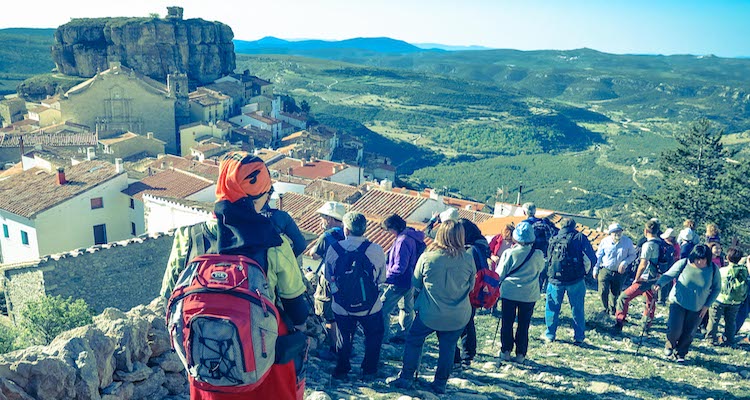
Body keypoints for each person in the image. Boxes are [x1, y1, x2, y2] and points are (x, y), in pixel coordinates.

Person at [161, 152, 309, 400]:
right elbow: (296, 307)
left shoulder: (188, 238)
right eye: (266, 193)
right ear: (254, 198)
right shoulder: (274, 242)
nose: (268, 198)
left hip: (209, 358)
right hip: (265, 357)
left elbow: (168, 295)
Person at [390, 220, 476, 394]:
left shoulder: (428, 257)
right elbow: (471, 285)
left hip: (430, 312)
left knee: (414, 341)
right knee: (448, 347)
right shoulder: (468, 259)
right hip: (458, 315)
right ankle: (440, 384)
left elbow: (416, 283)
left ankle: (406, 377)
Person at [324, 212, 386, 381]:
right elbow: (381, 278)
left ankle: (342, 369)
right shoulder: (376, 249)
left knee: (344, 335)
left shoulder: (334, 248)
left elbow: (328, 276)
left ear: (346, 230)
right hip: (370, 305)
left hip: (342, 305)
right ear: (365, 229)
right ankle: (369, 370)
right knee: (374, 334)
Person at [653, 244, 721, 362]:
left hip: (698, 306)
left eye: (702, 259)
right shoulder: (684, 263)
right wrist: (659, 284)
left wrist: (707, 306)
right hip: (678, 302)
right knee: (675, 329)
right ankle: (670, 345)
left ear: (708, 259)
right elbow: (669, 275)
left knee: (689, 332)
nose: (699, 262)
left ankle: (681, 353)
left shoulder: (713, 269)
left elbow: (716, 289)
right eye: (697, 259)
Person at [495, 221, 545, 364]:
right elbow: (540, 269)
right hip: (529, 294)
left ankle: (505, 351)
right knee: (524, 324)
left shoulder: (509, 253)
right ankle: (521, 354)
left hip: (509, 292)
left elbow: (499, 274)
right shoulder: (538, 254)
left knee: (507, 322)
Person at [543, 217, 596, 344]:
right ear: (574, 225)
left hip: (555, 279)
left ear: (561, 226)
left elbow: (548, 257)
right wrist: (583, 273)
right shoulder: (580, 237)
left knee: (552, 307)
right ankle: (579, 336)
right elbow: (591, 258)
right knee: (577, 308)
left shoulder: (554, 237)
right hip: (575, 280)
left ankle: (550, 334)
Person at [307, 201, 348, 361]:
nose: (321, 221)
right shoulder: (347, 233)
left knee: (329, 316)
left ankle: (335, 350)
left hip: (330, 279)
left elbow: (314, 255)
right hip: (347, 280)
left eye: (323, 217)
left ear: (330, 219)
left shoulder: (327, 236)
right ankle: (346, 347)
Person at [380, 213, 425, 344]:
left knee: (383, 308)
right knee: (406, 307)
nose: (389, 233)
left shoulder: (402, 241)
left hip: (399, 281)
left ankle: (383, 337)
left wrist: (384, 278)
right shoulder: (412, 236)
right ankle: (404, 334)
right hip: (411, 279)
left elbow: (400, 266)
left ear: (393, 228)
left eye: (389, 230)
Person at [613, 220, 661, 334]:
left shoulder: (648, 245)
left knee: (623, 298)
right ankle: (646, 324)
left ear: (646, 231)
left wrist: (637, 278)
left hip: (645, 278)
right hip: (657, 277)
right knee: (650, 301)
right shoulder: (662, 244)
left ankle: (619, 322)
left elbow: (643, 264)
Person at [454, 218, 490, 369]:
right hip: (475, 290)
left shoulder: (470, 251)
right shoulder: (480, 246)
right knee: (468, 322)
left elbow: (468, 273)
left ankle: (464, 356)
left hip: (467, 291)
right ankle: (468, 354)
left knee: (463, 323)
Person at [706, 247, 748, 346]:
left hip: (720, 299)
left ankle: (710, 338)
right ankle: (729, 339)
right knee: (731, 321)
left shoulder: (722, 270)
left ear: (728, 257)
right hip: (735, 301)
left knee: (714, 320)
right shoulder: (743, 271)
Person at [593, 223, 637, 315]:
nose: (617, 233)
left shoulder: (627, 242)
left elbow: (633, 255)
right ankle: (605, 308)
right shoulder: (605, 241)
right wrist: (595, 269)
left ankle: (612, 309)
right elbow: (598, 256)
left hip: (620, 272)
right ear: (610, 233)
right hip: (605, 270)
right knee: (603, 291)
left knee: (615, 293)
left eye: (619, 231)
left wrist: (625, 262)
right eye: (614, 232)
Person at [521, 202, 559, 291]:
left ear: (524, 212)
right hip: (547, 256)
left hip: (531, 256)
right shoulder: (545, 222)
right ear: (535, 211)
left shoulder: (524, 225)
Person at [261, 188, 307, 257]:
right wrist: (287, 258)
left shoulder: (244, 214)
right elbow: (301, 244)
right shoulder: (282, 217)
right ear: (269, 197)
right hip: (275, 263)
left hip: (248, 263)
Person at [656, 228, 681, 305]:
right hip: (664, 263)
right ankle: (658, 297)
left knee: (666, 280)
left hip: (669, 265)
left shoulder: (674, 246)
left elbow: (677, 256)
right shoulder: (664, 243)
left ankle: (662, 298)